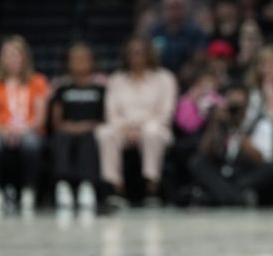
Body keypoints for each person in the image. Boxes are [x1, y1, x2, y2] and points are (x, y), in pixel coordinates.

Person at [96, 36, 178, 206]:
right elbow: (111, 113)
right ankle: (115, 187)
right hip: (123, 129)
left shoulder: (165, 78)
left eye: (140, 52)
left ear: (149, 54)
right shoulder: (116, 80)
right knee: (104, 132)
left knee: (151, 131)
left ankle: (152, 186)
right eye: (132, 53)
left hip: (156, 128)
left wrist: (139, 127)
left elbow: (166, 113)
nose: (136, 56)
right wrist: (127, 128)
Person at [0, 36, 49, 213]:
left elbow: (40, 117)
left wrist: (22, 131)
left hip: (29, 129)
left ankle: (29, 190)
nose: (12, 59)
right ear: (1, 59)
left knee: (31, 144)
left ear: (24, 57)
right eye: (7, 55)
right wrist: (4, 132)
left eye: (16, 55)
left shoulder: (38, 81)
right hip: (1, 130)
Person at [49, 42, 112, 213]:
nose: (79, 62)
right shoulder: (61, 85)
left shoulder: (102, 85)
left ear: (92, 61)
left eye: (84, 59)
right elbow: (56, 119)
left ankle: (87, 185)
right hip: (67, 129)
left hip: (92, 129)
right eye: (75, 59)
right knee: (61, 138)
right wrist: (68, 127)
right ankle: (63, 186)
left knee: (89, 140)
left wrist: (87, 126)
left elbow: (107, 115)